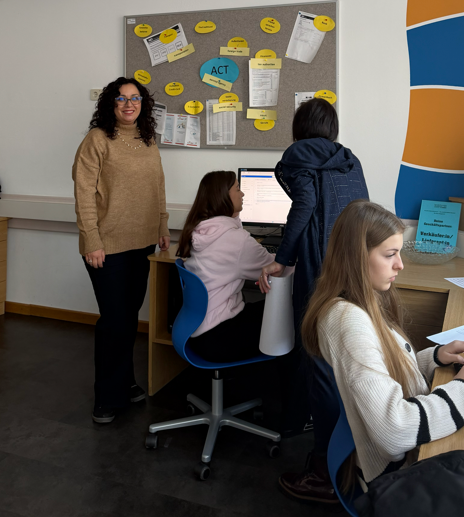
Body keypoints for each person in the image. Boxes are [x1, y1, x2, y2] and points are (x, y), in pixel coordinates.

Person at [302, 199, 464, 490]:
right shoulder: (349, 321)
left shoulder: (358, 302)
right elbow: (394, 430)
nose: (400, 264)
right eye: (390, 255)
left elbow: (383, 372)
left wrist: (433, 358)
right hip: (395, 477)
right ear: (356, 257)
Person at [260, 97, 369, 505]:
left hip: (318, 269)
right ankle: (346, 456)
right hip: (352, 269)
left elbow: (303, 205)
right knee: (343, 362)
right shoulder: (350, 161)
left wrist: (282, 258)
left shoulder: (297, 155)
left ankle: (326, 473)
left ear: (300, 128)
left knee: (319, 363)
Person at [73, 77, 170, 424]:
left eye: (135, 98)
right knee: (114, 321)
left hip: (142, 242)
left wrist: (162, 227)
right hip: (107, 247)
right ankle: (107, 396)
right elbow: (84, 193)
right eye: (121, 98)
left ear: (143, 104)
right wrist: (92, 240)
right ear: (110, 104)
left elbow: (158, 187)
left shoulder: (148, 139)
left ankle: (125, 382)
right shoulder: (97, 140)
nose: (129, 104)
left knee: (128, 318)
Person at [177, 171, 275, 362]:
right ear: (222, 197)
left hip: (196, 330)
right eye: (238, 189)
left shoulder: (200, 230)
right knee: (292, 311)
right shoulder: (236, 240)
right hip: (219, 338)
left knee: (270, 308)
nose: (243, 194)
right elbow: (277, 269)